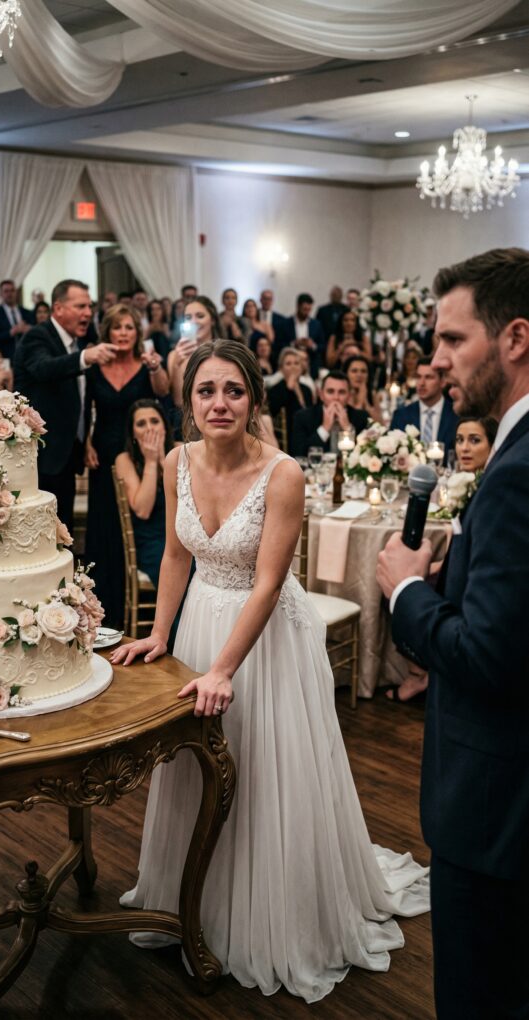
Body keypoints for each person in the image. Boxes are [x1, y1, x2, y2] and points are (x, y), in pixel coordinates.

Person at [110, 339, 428, 1002]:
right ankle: (190, 901)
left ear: (254, 398)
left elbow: (267, 582)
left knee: (260, 765)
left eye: (234, 390)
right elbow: (175, 556)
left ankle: (272, 915)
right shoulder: (174, 461)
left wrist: (223, 669)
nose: (219, 403)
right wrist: (160, 635)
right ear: (188, 401)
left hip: (264, 638)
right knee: (198, 763)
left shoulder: (282, 474)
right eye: (206, 391)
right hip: (198, 623)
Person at [377, 247, 529, 1020]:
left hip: (496, 810)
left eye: (452, 339)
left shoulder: (516, 471)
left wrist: (405, 590)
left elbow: (488, 657)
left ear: (514, 338)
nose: (436, 360)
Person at [385, 414, 497, 706]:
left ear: (492, 444)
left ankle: (419, 672)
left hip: (470, 577)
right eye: (459, 440)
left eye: (475, 440)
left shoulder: (490, 486)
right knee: (394, 581)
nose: (465, 448)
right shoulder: (466, 482)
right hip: (455, 565)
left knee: (400, 590)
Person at [84, 304, 170, 629]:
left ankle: (139, 608)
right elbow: (86, 408)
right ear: (107, 332)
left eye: (129, 327)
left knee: (136, 526)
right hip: (104, 452)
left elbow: (163, 392)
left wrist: (156, 367)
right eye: (117, 327)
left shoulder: (146, 365)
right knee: (105, 529)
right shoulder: (95, 366)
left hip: (138, 453)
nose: (123, 333)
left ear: (138, 332)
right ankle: (104, 612)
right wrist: (87, 441)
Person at [14, 278, 119, 534]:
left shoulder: (75, 343)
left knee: (63, 531)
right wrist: (85, 357)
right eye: (81, 306)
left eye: (90, 306)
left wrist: (85, 440)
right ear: (58, 308)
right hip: (43, 457)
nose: (88, 313)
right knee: (42, 535)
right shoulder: (37, 336)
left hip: (68, 454)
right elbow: (44, 368)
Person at [114, 398, 174, 615]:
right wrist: (151, 461)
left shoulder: (180, 450)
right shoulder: (125, 460)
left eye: (154, 421)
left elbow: (191, 502)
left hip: (183, 536)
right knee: (175, 571)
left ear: (165, 426)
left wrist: (163, 461)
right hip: (152, 543)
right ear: (133, 433)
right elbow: (143, 510)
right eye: (141, 424)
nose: (149, 428)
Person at [390, 357, 458, 462]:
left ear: (443, 382)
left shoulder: (456, 415)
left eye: (428, 377)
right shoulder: (401, 416)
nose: (421, 383)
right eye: (418, 377)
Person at [291, 369, 368, 457]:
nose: (336, 397)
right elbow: (298, 454)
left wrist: (348, 429)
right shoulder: (303, 417)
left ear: (349, 396)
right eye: (330, 391)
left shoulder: (361, 417)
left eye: (342, 392)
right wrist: (324, 429)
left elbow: (367, 454)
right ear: (321, 395)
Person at [167, 295, 223, 408]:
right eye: (188, 318)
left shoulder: (226, 353)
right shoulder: (174, 356)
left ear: (212, 320)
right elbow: (179, 401)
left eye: (200, 316)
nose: (193, 322)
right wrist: (177, 365)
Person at [267, 347, 312, 441]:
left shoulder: (307, 389)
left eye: (296, 363)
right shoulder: (275, 390)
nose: (293, 367)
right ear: (281, 368)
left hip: (307, 434)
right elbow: (272, 413)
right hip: (287, 437)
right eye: (288, 364)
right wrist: (289, 388)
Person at [0, 279, 33, 361]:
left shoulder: (28, 313)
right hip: (4, 358)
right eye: (6, 291)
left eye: (12, 290)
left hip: (27, 357)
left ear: (16, 292)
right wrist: (10, 333)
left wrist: (30, 329)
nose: (9, 294)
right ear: (0, 294)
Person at [342, 354, 382, 423]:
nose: (359, 375)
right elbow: (354, 423)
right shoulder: (341, 394)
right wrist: (360, 402)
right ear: (346, 374)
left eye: (363, 371)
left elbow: (381, 425)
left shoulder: (372, 394)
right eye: (354, 371)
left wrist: (366, 403)